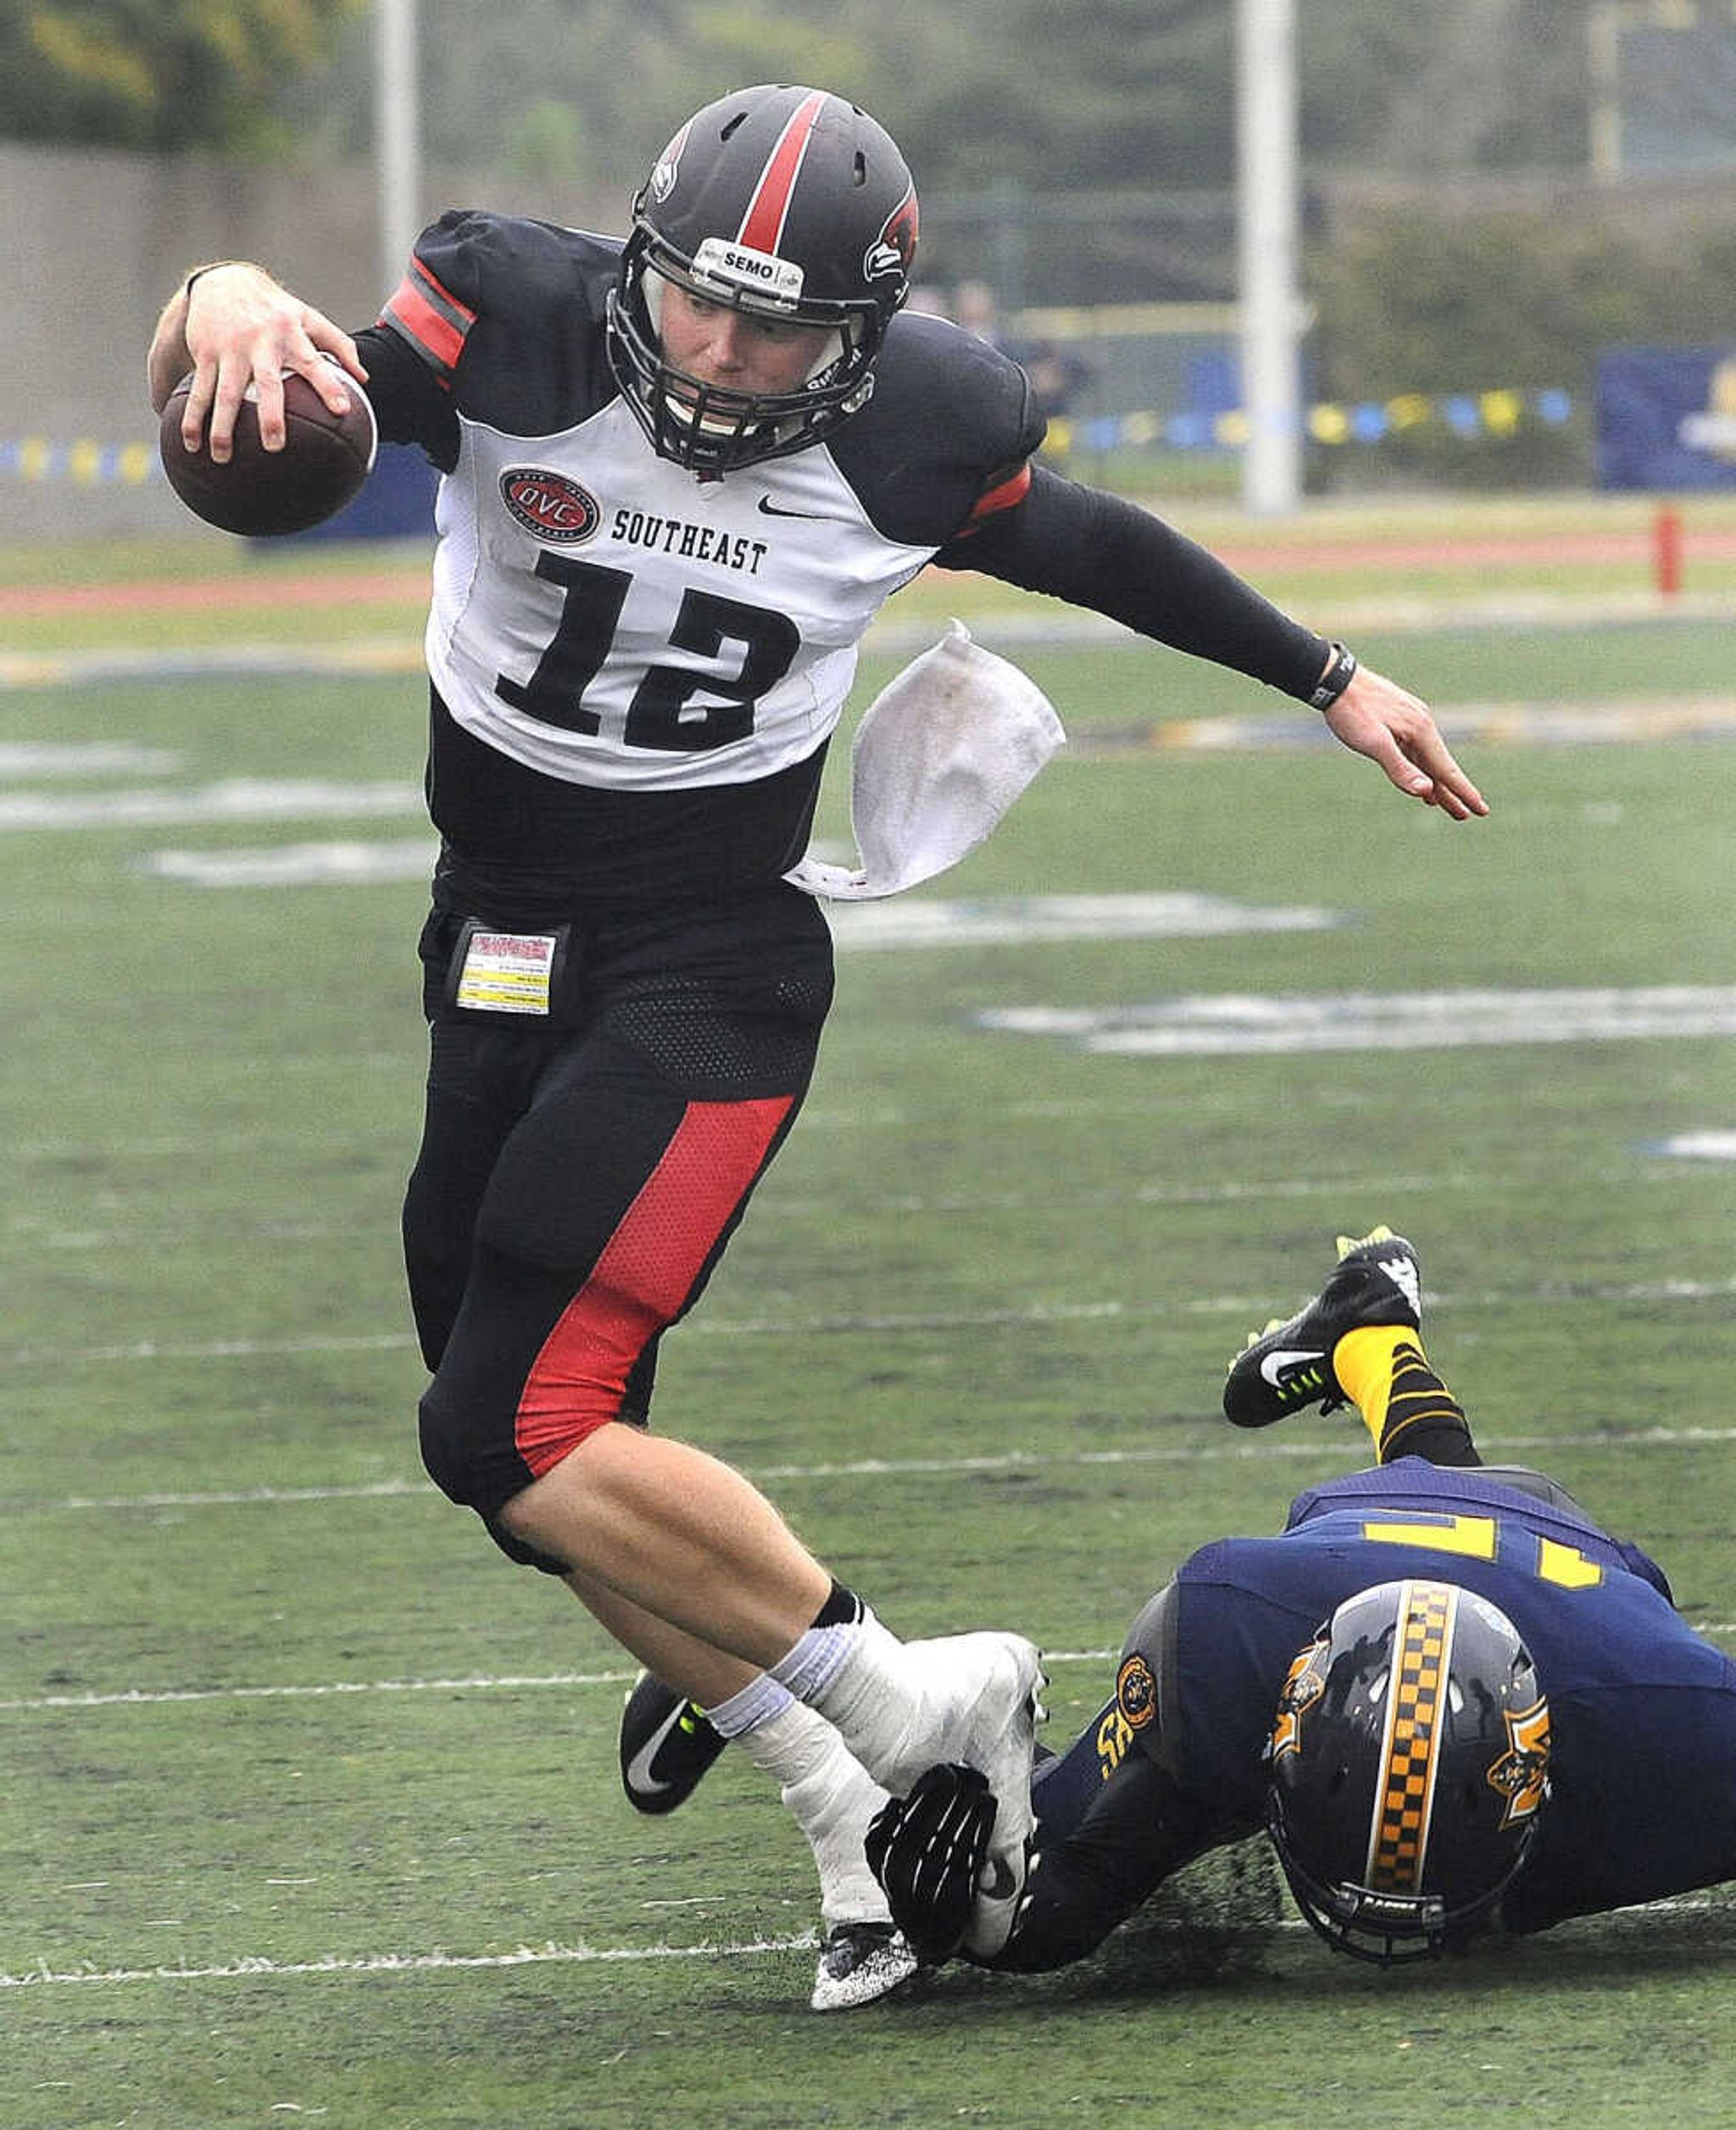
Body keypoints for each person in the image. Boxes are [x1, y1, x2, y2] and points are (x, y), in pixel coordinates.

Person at [145, 83, 1486, 2011]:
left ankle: (915, 1698)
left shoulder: (911, 433)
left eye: (770, 326)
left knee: (510, 1427)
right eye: (694, 299)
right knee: (516, 1459)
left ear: (854, 336)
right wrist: (228, 292)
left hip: (712, 963)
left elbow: (1091, 545)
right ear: (640, 257)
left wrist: (1331, 679)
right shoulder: (505, 319)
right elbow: (267, 373)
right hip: (501, 936)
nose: (715, 347)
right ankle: (842, 1803)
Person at [862, 1227, 1736, 1976]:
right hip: (1355, 1548)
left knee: (1468, 1496)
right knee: (1021, 1885)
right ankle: (1368, 1335)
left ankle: (1372, 1335)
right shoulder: (1224, 1648)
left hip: (1558, 1560)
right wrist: (986, 1917)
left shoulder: (1667, 1732)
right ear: (1282, 1730)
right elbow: (1071, 1875)